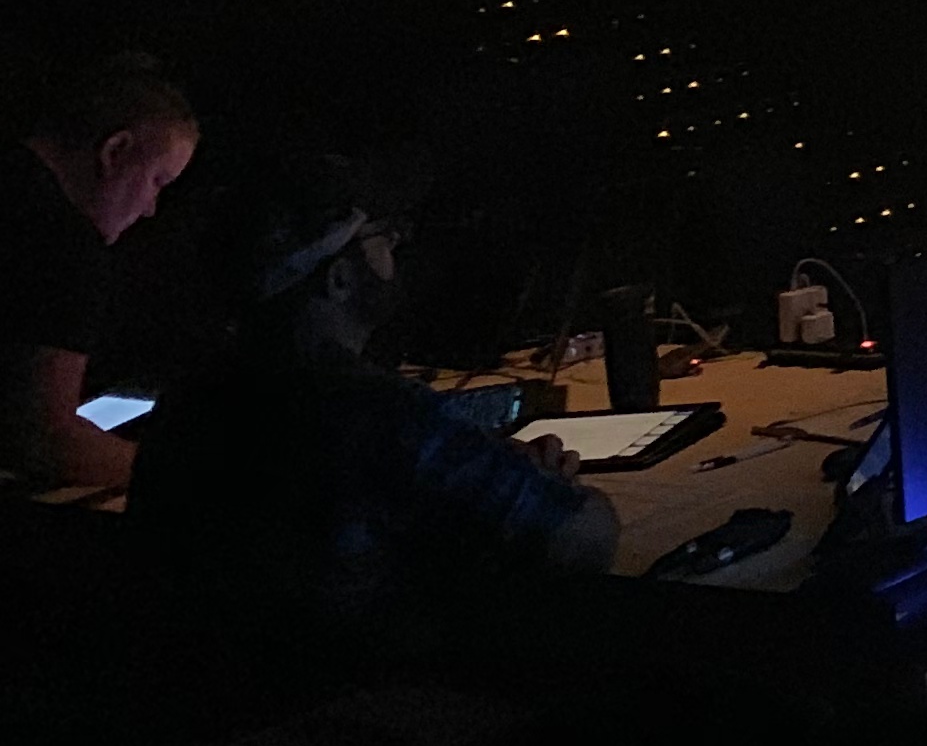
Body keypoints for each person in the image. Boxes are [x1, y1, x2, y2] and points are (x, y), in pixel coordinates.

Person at [131, 155, 618, 620]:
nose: (396, 246)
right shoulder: (384, 414)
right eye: (379, 237)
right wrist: (546, 485)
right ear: (339, 279)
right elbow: (586, 538)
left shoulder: (186, 405)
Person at [0, 53, 203, 492]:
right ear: (115, 151)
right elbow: (43, 438)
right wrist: (190, 478)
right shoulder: (60, 244)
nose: (150, 209)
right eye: (157, 182)